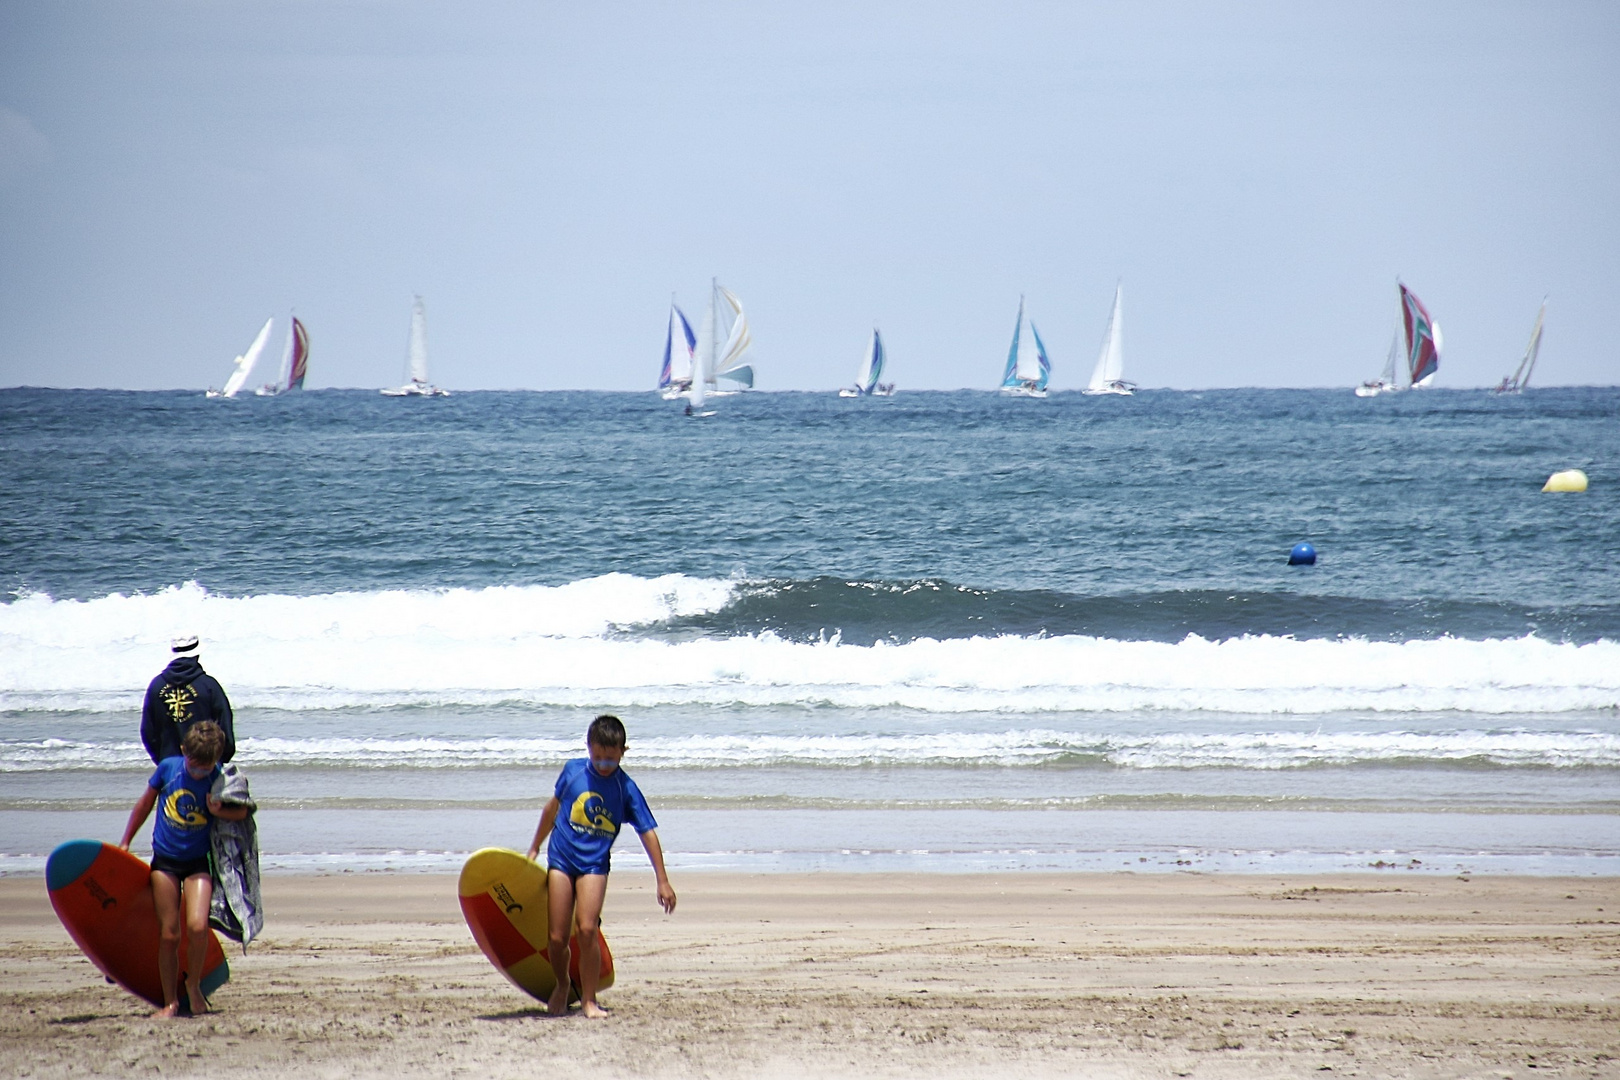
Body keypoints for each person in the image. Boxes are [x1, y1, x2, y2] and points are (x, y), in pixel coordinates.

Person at [525, 714, 676, 1019]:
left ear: (623, 752)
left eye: (610, 758)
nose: (604, 764)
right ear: (588, 748)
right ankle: (563, 983)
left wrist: (662, 880)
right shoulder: (572, 771)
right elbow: (551, 809)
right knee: (556, 937)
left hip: (594, 863)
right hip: (562, 858)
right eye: (598, 757)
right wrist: (534, 846)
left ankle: (589, 1001)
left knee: (587, 929)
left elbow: (647, 832)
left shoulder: (626, 788)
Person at [119, 720, 248, 1018]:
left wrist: (219, 810)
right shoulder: (168, 769)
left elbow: (242, 810)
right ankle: (169, 1002)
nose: (200, 771)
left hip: (197, 862)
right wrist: (126, 841)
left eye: (207, 766)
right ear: (182, 751)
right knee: (169, 934)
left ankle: (192, 985)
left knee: (199, 927)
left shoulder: (218, 778)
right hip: (165, 861)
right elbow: (144, 805)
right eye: (196, 764)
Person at [141, 635, 235, 765]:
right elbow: (225, 727)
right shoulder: (209, 686)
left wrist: (163, 761)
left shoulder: (156, 686)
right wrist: (219, 760)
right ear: (197, 655)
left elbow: (148, 732)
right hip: (206, 766)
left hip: (169, 766)